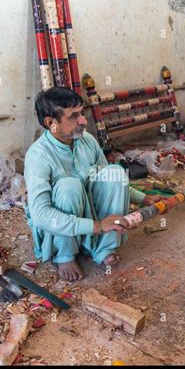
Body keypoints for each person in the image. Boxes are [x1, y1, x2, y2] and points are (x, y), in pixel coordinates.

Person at [24, 87, 162, 281]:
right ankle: (65, 255)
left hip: (90, 215)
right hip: (63, 229)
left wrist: (144, 198)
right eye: (74, 116)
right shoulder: (38, 156)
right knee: (68, 187)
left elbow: (108, 181)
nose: (83, 121)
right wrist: (97, 225)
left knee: (114, 171)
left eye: (81, 113)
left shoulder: (86, 140)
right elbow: (41, 215)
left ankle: (104, 247)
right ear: (51, 123)